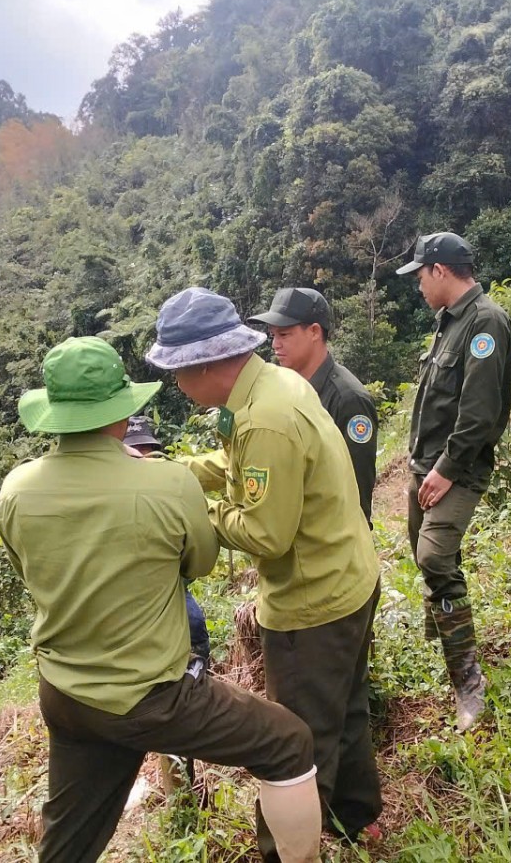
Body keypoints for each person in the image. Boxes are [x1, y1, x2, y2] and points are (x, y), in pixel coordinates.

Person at [0, 336, 322, 863]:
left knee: (70, 838)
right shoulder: (167, 484)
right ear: (122, 414)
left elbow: (29, 570)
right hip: (150, 696)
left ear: (53, 416)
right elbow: (199, 563)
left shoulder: (16, 489)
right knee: (288, 741)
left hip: (66, 694)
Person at [146, 288, 383, 860]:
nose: (177, 383)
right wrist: (174, 473)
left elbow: (266, 534)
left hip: (312, 603)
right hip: (349, 576)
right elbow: (236, 467)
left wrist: (191, 511)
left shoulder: (265, 419)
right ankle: (357, 818)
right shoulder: (271, 385)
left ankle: (285, 852)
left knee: (295, 744)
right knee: (345, 709)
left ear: (207, 364)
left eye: (178, 371)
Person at [396, 232, 511, 732]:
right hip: (425, 464)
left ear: (440, 271)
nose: (419, 286)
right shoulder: (449, 321)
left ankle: (467, 680)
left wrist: (446, 470)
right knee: (423, 554)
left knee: (435, 557)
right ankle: (447, 627)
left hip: (456, 468)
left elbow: (480, 413)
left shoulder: (485, 322)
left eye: (421, 276)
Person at [247, 288, 378, 527]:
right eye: (273, 335)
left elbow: (358, 487)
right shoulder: (286, 388)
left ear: (314, 332)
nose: (275, 344)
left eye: (284, 334)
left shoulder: (348, 399)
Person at [124, 415, 211, 662]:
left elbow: (198, 561)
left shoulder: (171, 488)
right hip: (130, 597)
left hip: (172, 587)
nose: (142, 458)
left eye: (146, 451)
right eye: (136, 451)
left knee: (194, 627)